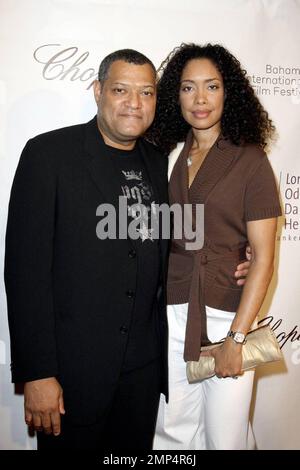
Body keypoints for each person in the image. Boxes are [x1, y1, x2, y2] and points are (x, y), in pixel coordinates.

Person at [5, 48, 249, 451]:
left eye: (147, 93)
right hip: (72, 376)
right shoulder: (49, 155)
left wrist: (241, 252)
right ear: (98, 90)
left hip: (142, 376)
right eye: (121, 90)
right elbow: (23, 272)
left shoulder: (159, 161)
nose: (134, 103)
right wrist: (37, 373)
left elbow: (180, 237)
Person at [147, 43, 282, 450]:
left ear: (230, 92)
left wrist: (237, 339)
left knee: (226, 440)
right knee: (170, 435)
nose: (200, 99)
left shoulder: (250, 160)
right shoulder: (167, 154)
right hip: (171, 314)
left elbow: (262, 259)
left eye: (212, 87)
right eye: (188, 88)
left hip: (226, 315)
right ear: (176, 95)